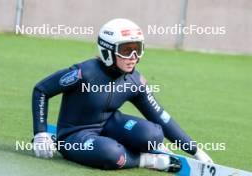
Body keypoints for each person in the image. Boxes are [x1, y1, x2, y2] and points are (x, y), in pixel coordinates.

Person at [32, 18, 213, 172]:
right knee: (112, 154)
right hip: (75, 136)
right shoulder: (83, 73)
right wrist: (40, 133)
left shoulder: (134, 80)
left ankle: (143, 150)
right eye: (126, 50)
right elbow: (41, 90)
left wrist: (195, 151)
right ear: (107, 50)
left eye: (138, 49)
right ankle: (148, 160)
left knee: (153, 134)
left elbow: (160, 116)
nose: (133, 57)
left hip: (109, 126)